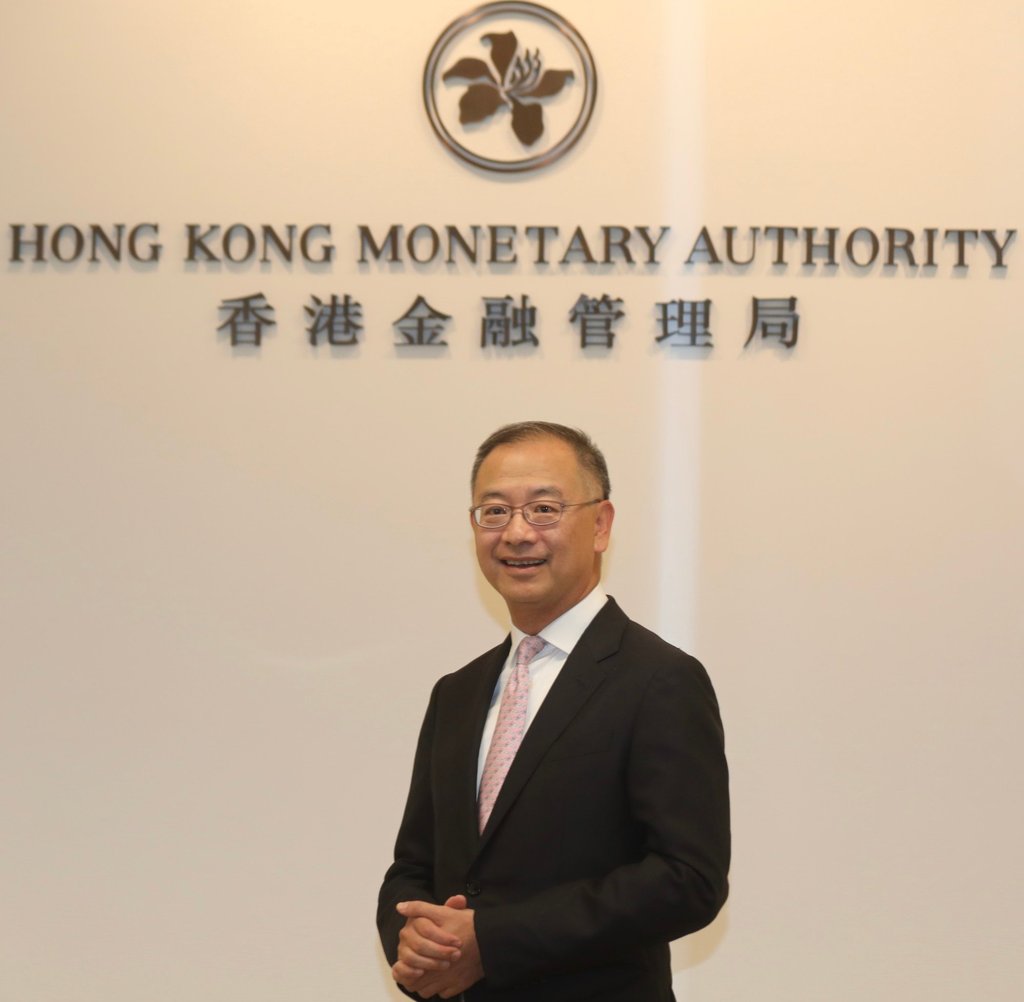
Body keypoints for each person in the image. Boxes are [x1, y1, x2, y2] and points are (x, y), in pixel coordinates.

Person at [377, 422, 730, 1001]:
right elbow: (413, 866)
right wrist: (413, 943)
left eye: (544, 508)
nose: (516, 533)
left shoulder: (660, 680)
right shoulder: (456, 693)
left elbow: (687, 879)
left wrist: (492, 942)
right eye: (494, 512)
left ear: (601, 525)